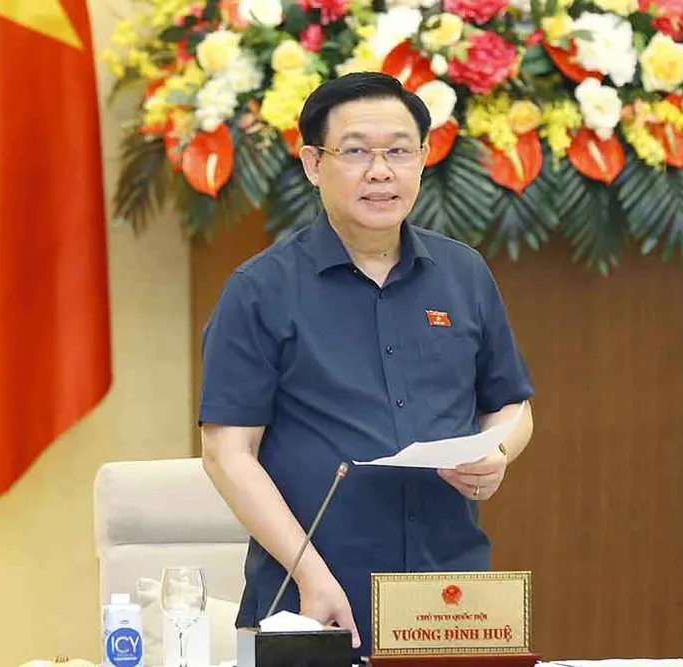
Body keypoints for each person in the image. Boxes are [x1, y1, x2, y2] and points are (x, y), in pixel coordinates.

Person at [197, 71, 535, 659]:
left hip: (449, 599)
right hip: (313, 598)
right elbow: (227, 452)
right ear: (313, 163)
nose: (381, 171)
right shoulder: (260, 289)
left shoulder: (464, 274)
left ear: (424, 158)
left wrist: (498, 452)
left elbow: (510, 403)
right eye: (355, 152)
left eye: (399, 151)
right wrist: (311, 574)